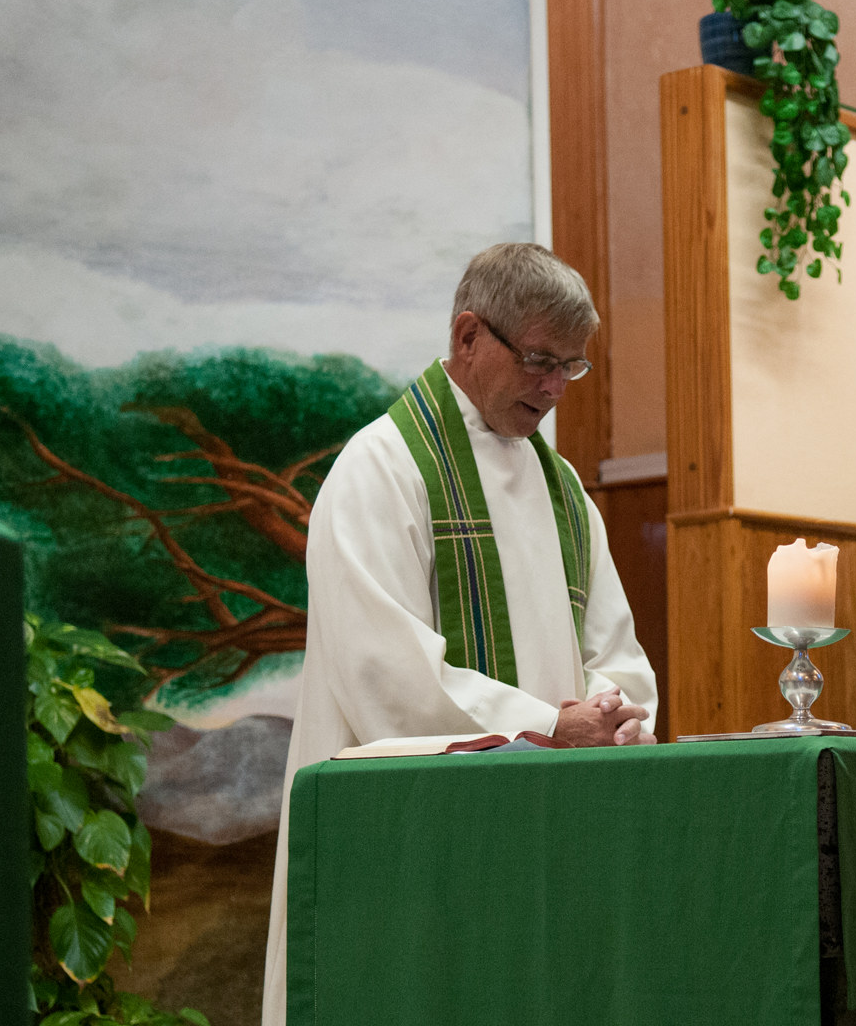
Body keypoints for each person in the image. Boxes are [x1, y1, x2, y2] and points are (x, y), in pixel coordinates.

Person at [260, 243, 658, 1026]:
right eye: (541, 359)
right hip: (406, 849)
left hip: (545, 836)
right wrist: (549, 727)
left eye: (571, 368)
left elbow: (617, 653)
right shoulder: (381, 469)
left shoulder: (565, 488)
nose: (553, 388)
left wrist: (614, 720)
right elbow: (389, 679)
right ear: (469, 335)